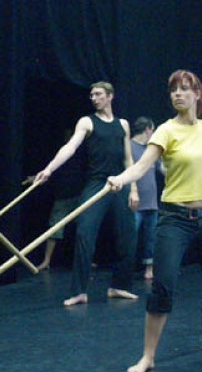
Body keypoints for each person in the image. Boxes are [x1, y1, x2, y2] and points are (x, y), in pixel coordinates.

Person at [108, 70, 202, 372]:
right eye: (173, 90)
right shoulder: (166, 131)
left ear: (197, 95)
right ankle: (148, 356)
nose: (177, 94)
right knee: (163, 285)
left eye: (184, 89)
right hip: (175, 219)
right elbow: (141, 166)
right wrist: (120, 179)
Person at [35, 82, 138, 306]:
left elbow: (129, 159)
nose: (93, 98)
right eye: (91, 95)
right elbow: (70, 148)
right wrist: (49, 169)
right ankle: (79, 291)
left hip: (120, 183)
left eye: (98, 94)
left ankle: (119, 286)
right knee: (84, 233)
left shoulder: (123, 124)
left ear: (110, 96)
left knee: (128, 235)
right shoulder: (87, 121)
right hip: (97, 184)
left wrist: (133, 188)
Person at [33, 128, 83, 271]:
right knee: (54, 229)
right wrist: (37, 177)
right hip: (63, 197)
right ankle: (47, 260)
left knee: (84, 228)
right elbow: (53, 172)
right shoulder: (62, 154)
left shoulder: (81, 155)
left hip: (79, 196)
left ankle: (85, 260)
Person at [130, 116, 162, 281]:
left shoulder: (151, 149)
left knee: (151, 238)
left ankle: (149, 268)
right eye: (153, 130)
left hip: (151, 203)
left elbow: (162, 169)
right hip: (135, 203)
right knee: (130, 237)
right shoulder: (129, 146)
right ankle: (126, 268)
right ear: (148, 129)